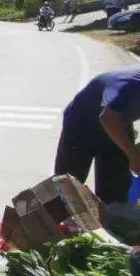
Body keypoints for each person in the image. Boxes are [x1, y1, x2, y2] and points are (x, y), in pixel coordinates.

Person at [55, 66, 140, 203]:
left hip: (119, 123)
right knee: (68, 187)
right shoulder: (130, 85)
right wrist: (132, 154)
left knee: (116, 191)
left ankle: (112, 219)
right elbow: (107, 117)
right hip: (83, 123)